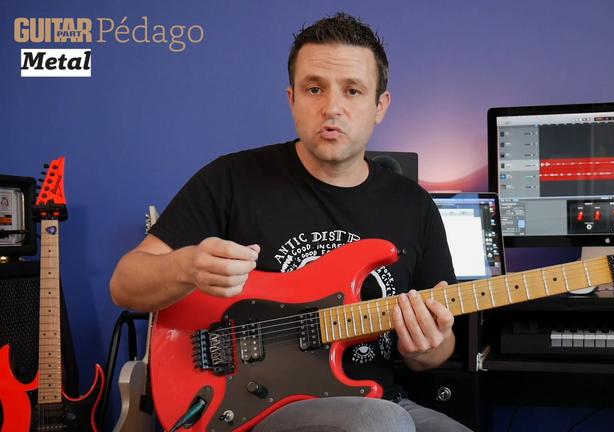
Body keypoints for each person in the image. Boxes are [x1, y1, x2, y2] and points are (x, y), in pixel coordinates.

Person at [110, 12, 471, 432]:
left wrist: (425, 346)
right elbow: (124, 285)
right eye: (314, 88)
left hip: (380, 398)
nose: (332, 107)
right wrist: (187, 266)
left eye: (352, 90)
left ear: (380, 106)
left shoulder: (413, 204)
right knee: (378, 423)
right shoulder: (231, 179)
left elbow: (436, 352)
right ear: (292, 99)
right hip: (252, 408)